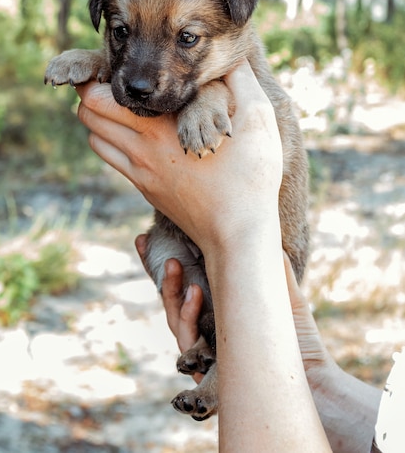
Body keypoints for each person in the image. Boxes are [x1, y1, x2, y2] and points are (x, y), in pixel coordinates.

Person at [76, 59, 394, 452]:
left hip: (268, 251)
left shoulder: (241, 71)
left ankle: (223, 367)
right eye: (121, 31)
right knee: (162, 253)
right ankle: (216, 357)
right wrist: (305, 378)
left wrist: (237, 239)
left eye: (187, 37)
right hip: (190, 250)